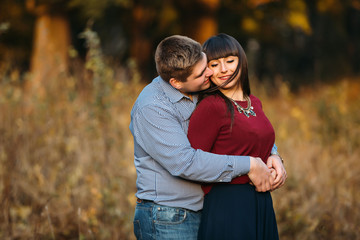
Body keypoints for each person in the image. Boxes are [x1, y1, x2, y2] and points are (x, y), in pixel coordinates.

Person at [129, 35, 286, 240]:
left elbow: (240, 130)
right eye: (204, 71)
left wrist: (273, 154)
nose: (212, 72)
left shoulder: (198, 87)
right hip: (169, 216)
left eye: (206, 64)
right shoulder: (152, 107)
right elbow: (186, 162)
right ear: (176, 83)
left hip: (205, 209)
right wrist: (249, 165)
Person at [187, 33, 281, 239]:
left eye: (230, 61)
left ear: (241, 61)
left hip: (261, 203)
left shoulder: (254, 102)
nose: (224, 69)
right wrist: (247, 171)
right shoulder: (211, 106)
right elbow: (194, 162)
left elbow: (258, 142)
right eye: (214, 64)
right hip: (228, 206)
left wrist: (276, 159)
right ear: (205, 69)